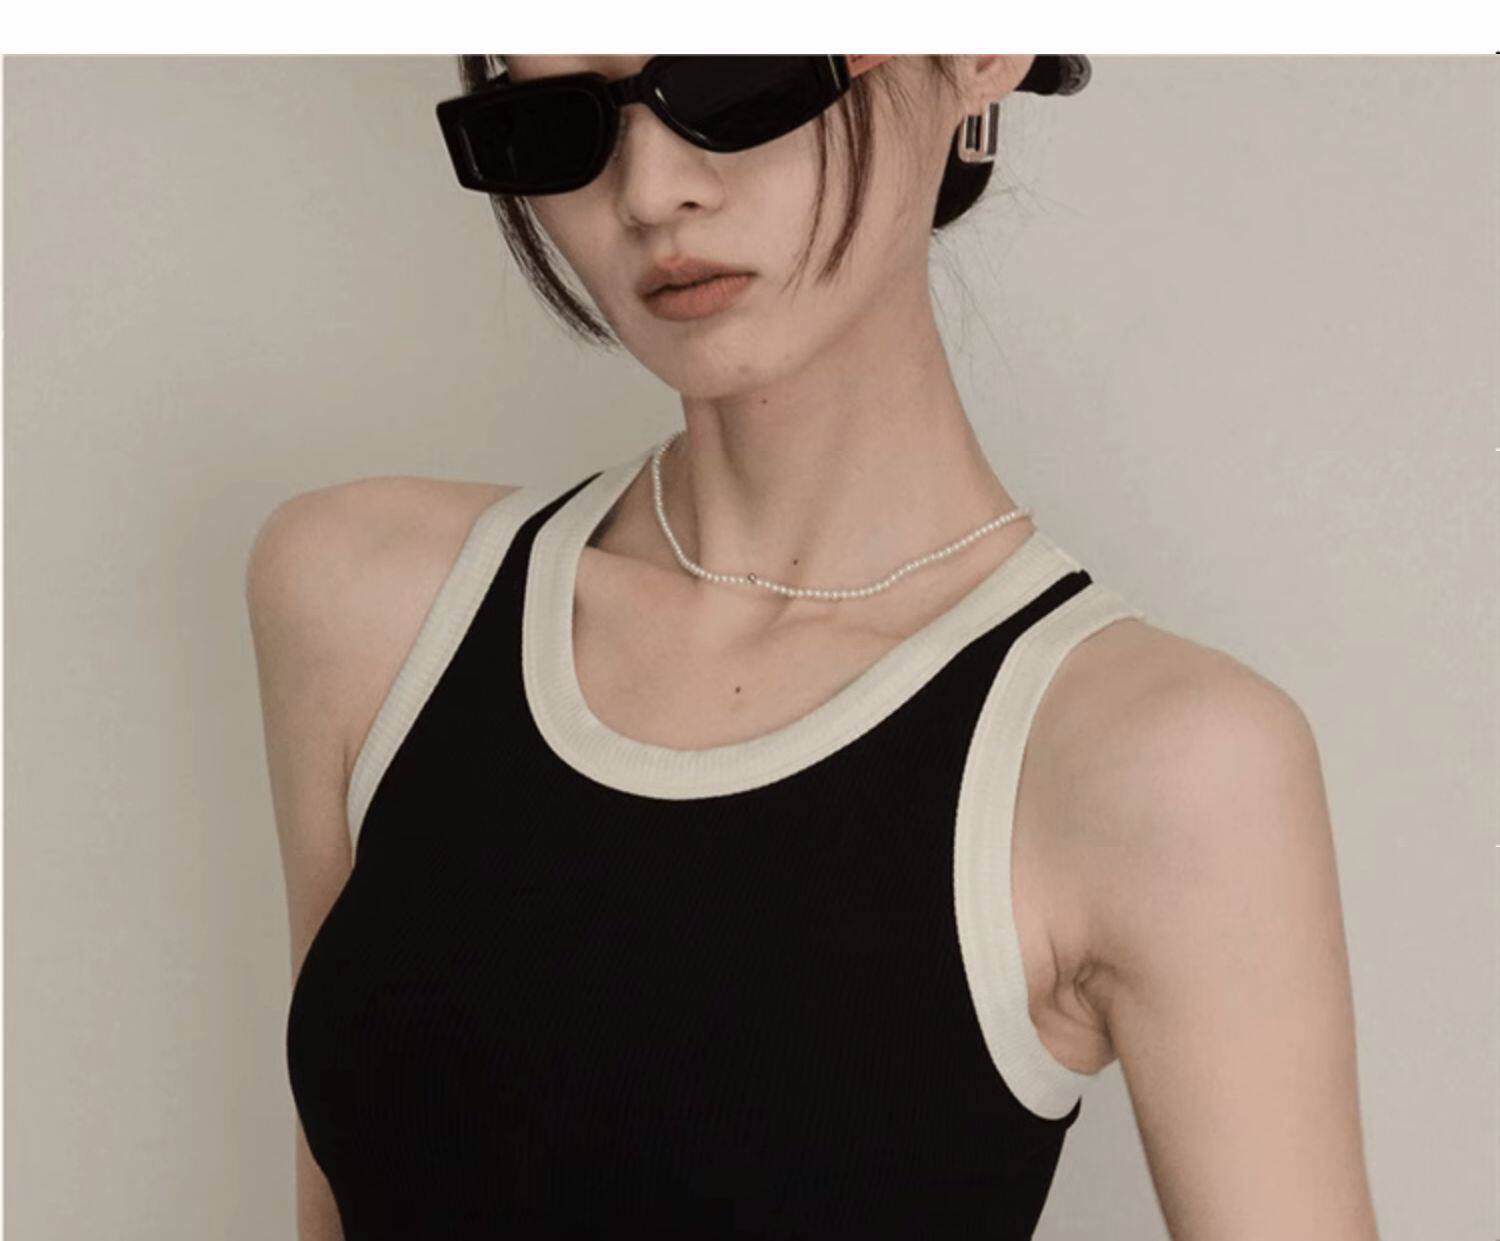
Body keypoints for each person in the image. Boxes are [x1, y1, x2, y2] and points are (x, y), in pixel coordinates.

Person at [247, 55, 1381, 1240]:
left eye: (732, 79)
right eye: (555, 122)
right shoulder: (367, 598)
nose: (651, 191)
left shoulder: (1160, 762)